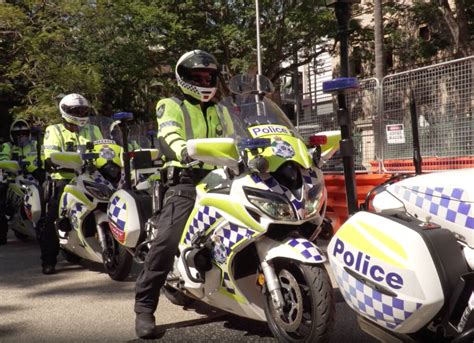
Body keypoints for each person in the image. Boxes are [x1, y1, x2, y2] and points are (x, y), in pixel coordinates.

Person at [134, 50, 226, 338]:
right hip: (185, 182)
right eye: (198, 77)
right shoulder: (170, 105)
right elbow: (169, 134)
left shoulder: (221, 109)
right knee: (166, 239)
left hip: (220, 177)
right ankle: (144, 306)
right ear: (183, 79)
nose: (204, 81)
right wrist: (183, 150)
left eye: (209, 76)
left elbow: (241, 137)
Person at [40, 93, 100, 274]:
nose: (81, 114)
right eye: (76, 111)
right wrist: (57, 160)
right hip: (63, 179)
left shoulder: (93, 129)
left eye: (83, 110)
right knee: (53, 218)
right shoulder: (54, 130)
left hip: (91, 176)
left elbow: (105, 148)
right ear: (65, 111)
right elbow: (50, 156)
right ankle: (48, 261)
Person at [0, 119, 42, 245]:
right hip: (13, 177)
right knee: (1, 201)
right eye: (17, 134)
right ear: (12, 135)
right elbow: (2, 159)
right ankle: (2, 233)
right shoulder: (8, 146)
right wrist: (12, 165)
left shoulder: (35, 145)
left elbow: (43, 157)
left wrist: (40, 166)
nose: (21, 136)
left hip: (33, 176)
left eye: (24, 133)